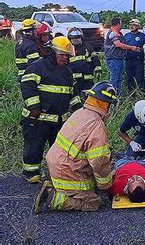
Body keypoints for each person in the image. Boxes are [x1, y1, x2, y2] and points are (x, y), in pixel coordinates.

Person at [33, 82, 118, 214]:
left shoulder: (80, 113)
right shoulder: (96, 125)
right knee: (93, 203)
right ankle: (53, 197)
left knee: (91, 187)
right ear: (106, 104)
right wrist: (105, 185)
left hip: (56, 164)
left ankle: (58, 189)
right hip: (67, 172)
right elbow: (99, 161)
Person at [20, 36, 80, 183]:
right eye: (62, 54)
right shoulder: (38, 66)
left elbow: (72, 93)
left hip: (58, 121)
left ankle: (56, 173)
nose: (64, 58)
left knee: (58, 150)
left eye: (67, 55)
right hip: (37, 119)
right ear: (52, 52)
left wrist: (79, 110)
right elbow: (27, 85)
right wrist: (34, 107)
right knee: (35, 146)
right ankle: (31, 173)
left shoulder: (67, 72)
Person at [104, 17, 140, 95]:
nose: (121, 26)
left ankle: (118, 95)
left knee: (119, 78)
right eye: (121, 24)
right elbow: (118, 44)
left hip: (118, 59)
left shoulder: (118, 33)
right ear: (117, 24)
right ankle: (112, 96)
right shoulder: (113, 33)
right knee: (115, 78)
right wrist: (132, 48)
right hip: (113, 59)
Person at [67, 27, 102, 95]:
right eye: (73, 38)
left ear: (81, 38)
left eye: (77, 38)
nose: (76, 40)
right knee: (74, 97)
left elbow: (95, 58)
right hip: (74, 80)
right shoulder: (67, 49)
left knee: (89, 96)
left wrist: (98, 69)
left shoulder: (87, 47)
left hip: (87, 79)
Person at [123, 19, 145, 91]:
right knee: (129, 77)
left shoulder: (142, 36)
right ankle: (131, 93)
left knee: (140, 77)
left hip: (138, 60)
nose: (131, 26)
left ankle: (142, 92)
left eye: (134, 25)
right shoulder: (126, 36)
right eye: (131, 25)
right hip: (128, 60)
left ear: (138, 26)